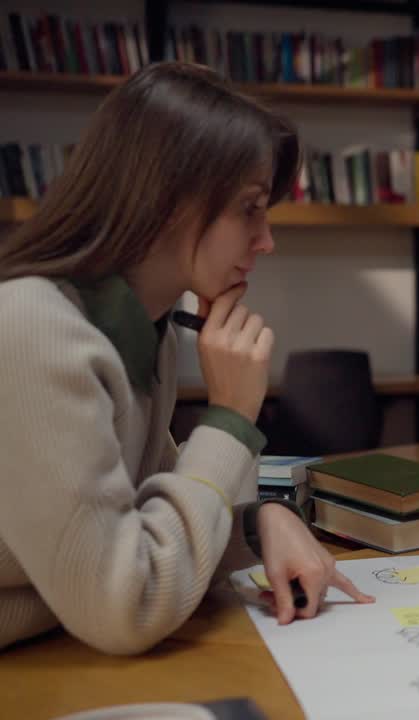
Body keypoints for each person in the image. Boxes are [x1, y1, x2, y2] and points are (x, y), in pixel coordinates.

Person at [0, 62, 374, 655]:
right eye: (250, 208)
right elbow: (128, 604)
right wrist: (230, 419)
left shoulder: (149, 329)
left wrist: (258, 523)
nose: (267, 240)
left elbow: (149, 521)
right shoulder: (31, 328)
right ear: (167, 200)